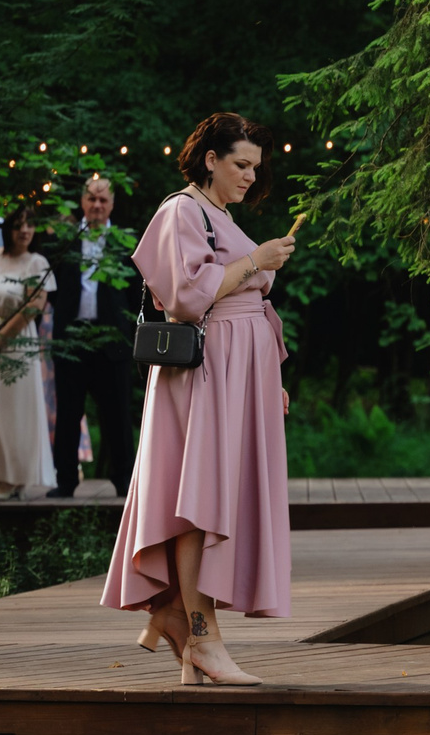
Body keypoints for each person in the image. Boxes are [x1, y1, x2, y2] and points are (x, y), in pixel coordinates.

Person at [102, 112, 296, 686]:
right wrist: (256, 261)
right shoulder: (181, 210)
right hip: (206, 372)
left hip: (238, 371)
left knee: (211, 497)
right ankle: (200, 634)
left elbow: (244, 304)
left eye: (256, 168)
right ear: (210, 159)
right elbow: (186, 298)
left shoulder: (220, 215)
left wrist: (269, 378)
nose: (249, 177)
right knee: (200, 501)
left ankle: (180, 627)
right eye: (240, 164)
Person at [44, 174, 139, 499]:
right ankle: (66, 481)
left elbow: (136, 293)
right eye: (91, 199)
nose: (97, 206)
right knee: (68, 413)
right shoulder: (65, 241)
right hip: (72, 340)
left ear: (112, 204)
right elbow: (52, 288)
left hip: (112, 342)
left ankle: (124, 480)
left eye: (103, 200)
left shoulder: (126, 242)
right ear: (82, 202)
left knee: (117, 415)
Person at [0, 206, 57, 499]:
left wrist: (3, 336)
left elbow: (35, 304)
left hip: (17, 342)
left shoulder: (37, 263)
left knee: (10, 410)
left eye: (30, 225)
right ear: (7, 228)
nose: (25, 230)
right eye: (19, 224)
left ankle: (13, 478)